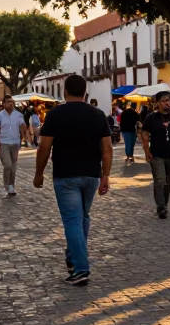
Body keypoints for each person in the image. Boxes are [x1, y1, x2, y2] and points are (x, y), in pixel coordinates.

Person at [34, 74, 112, 285]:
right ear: (85, 93)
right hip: (91, 175)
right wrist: (105, 176)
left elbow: (44, 147)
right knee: (83, 218)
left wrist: (39, 173)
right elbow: (107, 149)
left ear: (65, 92)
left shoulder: (55, 114)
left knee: (72, 221)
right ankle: (73, 256)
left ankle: (80, 269)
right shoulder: (98, 115)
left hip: (66, 175)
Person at [141, 91, 170, 219]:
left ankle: (165, 204)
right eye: (163, 100)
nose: (167, 103)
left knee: (168, 182)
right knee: (160, 180)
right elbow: (144, 136)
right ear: (158, 103)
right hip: (156, 155)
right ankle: (160, 206)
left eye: (168, 100)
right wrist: (146, 151)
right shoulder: (150, 118)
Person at [0, 95, 27, 198]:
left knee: (13, 167)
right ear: (3, 104)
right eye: (8, 102)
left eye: (12, 102)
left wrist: (24, 132)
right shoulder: (0, 115)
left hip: (15, 143)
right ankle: (6, 186)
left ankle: (11, 186)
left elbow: (22, 125)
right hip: (4, 142)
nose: (10, 103)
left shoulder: (18, 115)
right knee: (7, 165)